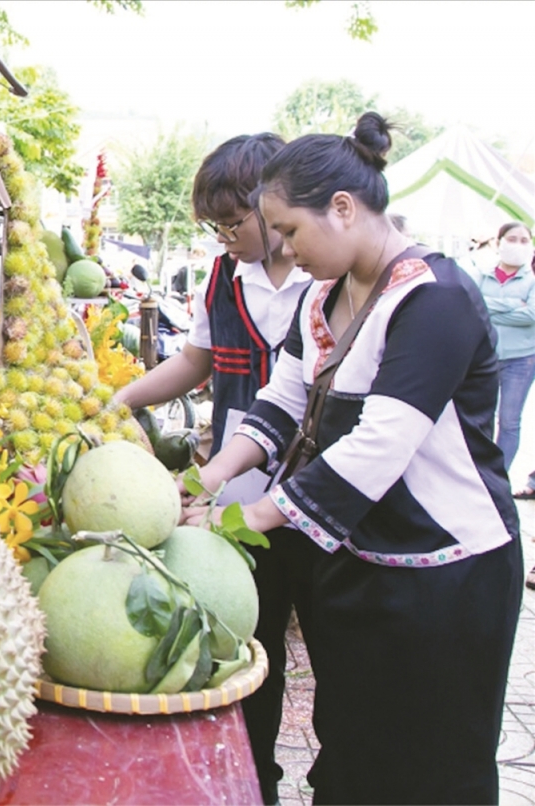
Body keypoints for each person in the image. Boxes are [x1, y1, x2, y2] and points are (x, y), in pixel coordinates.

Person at [184, 112, 521, 804]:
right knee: (353, 751)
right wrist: (207, 478)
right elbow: (282, 403)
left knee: (432, 765)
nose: (283, 248)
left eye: (289, 231)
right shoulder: (322, 296)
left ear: (342, 208)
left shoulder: (435, 300)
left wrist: (243, 519)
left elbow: (376, 449)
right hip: (358, 562)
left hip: (446, 578)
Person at [113, 132, 315, 806]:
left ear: (276, 206)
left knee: (329, 643)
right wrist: (120, 399)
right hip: (237, 489)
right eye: (216, 228)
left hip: (320, 492)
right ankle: (258, 782)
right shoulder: (224, 279)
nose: (226, 239)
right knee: (251, 643)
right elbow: (195, 362)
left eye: (235, 223)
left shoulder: (328, 274)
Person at [478, 222, 535, 487]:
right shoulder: (482, 275)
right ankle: (477, 471)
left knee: (510, 420)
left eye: (524, 240)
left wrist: (488, 308)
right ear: (498, 242)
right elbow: (472, 304)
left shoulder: (531, 280)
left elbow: (531, 315)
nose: (518, 245)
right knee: (481, 416)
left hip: (521, 359)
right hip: (484, 356)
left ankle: (497, 477)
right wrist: (512, 305)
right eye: (512, 239)